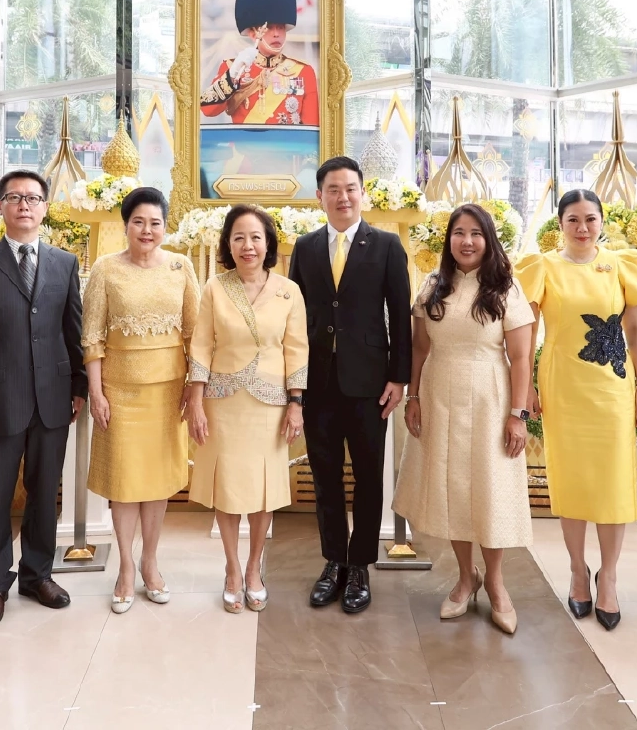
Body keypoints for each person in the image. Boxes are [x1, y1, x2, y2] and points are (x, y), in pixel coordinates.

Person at [515, 188, 637, 632]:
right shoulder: (542, 266)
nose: (583, 228)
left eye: (590, 219)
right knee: (572, 480)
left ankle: (609, 576)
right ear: (560, 224)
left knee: (614, 482)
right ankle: (578, 571)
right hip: (563, 386)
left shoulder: (622, 264)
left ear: (602, 222)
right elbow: (528, 329)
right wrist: (528, 385)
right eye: (573, 220)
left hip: (613, 387)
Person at [0, 169, 87, 629]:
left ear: (45, 207)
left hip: (53, 399)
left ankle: (37, 575)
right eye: (14, 197)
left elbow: (73, 330)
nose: (24, 205)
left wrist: (79, 387)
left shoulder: (65, 263)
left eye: (32, 198)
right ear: (1, 207)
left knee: (45, 492)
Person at [393, 204, 535, 634]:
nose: (467, 241)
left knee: (488, 488)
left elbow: (521, 357)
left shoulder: (505, 287)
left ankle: (496, 582)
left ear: (488, 239)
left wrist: (518, 415)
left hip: (491, 396)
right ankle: (464, 577)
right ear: (448, 239)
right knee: (452, 486)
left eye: (476, 233)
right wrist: (413, 396)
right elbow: (419, 349)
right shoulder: (433, 285)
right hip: (440, 393)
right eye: (459, 232)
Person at [288, 156, 411, 613]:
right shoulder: (305, 247)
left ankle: (360, 564)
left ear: (362, 193)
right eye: (334, 190)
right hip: (318, 382)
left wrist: (400, 376)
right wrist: (295, 383)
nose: (343, 197)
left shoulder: (387, 245)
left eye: (350, 188)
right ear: (319, 196)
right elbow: (295, 319)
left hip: (369, 383)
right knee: (324, 476)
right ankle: (333, 561)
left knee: (367, 476)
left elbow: (400, 315)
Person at [82, 186, 200, 613]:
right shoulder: (105, 269)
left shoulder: (181, 267)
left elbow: (195, 334)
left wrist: (193, 387)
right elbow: (92, 336)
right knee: (125, 481)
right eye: (139, 222)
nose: (147, 230)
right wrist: (96, 392)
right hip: (119, 391)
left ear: (165, 227)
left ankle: (150, 561)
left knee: (156, 482)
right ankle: (126, 567)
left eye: (155, 223)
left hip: (168, 392)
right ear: (126, 225)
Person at [185, 205, 308, 613]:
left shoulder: (289, 290)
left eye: (256, 237)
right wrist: (196, 399)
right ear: (228, 244)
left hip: (271, 404)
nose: (247, 245)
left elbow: (297, 350)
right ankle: (232, 569)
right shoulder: (215, 287)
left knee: (263, 489)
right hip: (222, 401)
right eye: (239, 237)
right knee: (228, 487)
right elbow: (201, 344)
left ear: (268, 243)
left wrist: (296, 403)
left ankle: (254, 567)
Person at [200, 0, 319, 125]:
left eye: (280, 27)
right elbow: (207, 110)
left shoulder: (303, 72)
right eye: (269, 28)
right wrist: (232, 75)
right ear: (253, 33)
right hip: (243, 142)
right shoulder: (232, 69)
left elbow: (311, 129)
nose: (276, 33)